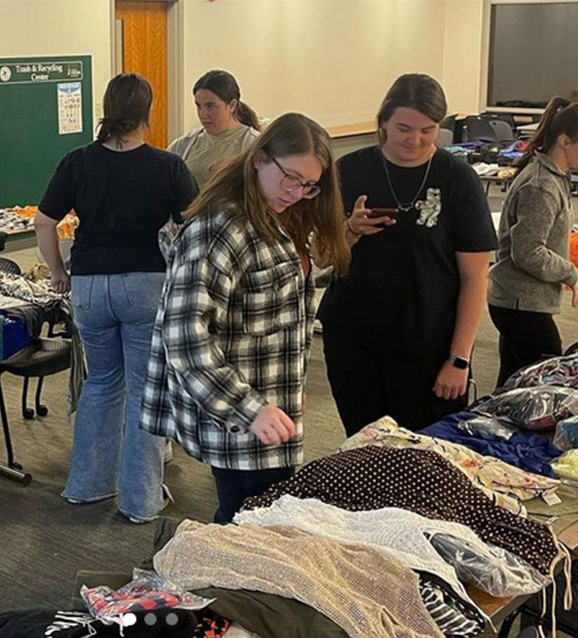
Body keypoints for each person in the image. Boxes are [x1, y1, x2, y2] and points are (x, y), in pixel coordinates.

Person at [140, 112, 351, 524]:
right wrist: (249, 408)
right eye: (291, 177)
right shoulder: (221, 227)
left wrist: (290, 388)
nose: (297, 191)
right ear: (259, 158)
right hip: (239, 417)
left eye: (309, 186)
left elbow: (276, 318)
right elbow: (183, 336)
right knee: (247, 528)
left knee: (260, 522)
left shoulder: (276, 218)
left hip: (269, 406)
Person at [35, 73, 198, 524]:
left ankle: (87, 485)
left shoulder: (77, 162)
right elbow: (197, 227)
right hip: (146, 284)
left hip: (89, 286)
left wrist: (58, 273)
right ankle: (141, 499)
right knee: (145, 391)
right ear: (148, 112)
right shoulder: (167, 166)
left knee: (102, 384)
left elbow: (44, 222)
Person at [318, 73, 497, 436]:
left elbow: (475, 276)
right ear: (383, 121)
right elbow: (320, 256)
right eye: (403, 128)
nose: (414, 140)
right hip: (355, 340)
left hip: (428, 345)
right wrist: (350, 230)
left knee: (425, 454)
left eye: (427, 130)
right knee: (364, 447)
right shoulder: (348, 170)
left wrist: (459, 359)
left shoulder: (457, 179)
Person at [489, 98, 578, 386]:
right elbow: (528, 251)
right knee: (549, 386)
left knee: (513, 385)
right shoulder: (542, 185)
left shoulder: (553, 177)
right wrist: (570, 273)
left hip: (520, 302)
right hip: (521, 304)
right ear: (565, 141)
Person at [168, 70, 261, 187]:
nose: (203, 113)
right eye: (198, 106)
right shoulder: (184, 144)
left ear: (232, 105)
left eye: (210, 106)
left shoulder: (252, 144)